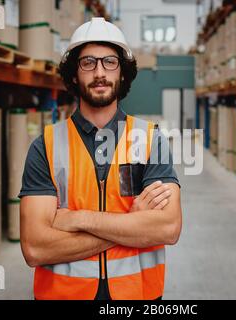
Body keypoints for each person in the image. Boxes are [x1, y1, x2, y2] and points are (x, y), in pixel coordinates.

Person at [19, 17, 182, 300]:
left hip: (137, 296)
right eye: (88, 63)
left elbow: (167, 228)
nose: (99, 72)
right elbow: (35, 248)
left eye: (109, 62)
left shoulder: (150, 139)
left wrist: (77, 219)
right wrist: (131, 224)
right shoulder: (45, 146)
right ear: (73, 75)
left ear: (122, 74)